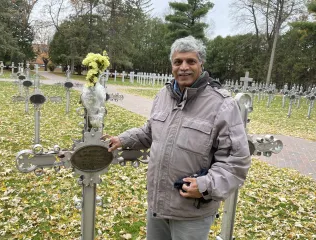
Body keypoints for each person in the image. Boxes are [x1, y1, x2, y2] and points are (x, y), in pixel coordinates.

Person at [107, 36, 251, 240]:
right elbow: (151, 130)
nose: (184, 67)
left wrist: (205, 186)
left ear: (201, 63)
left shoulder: (222, 104)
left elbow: (237, 161)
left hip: (191, 211)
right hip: (158, 204)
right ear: (172, 65)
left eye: (190, 61)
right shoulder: (163, 95)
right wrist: (123, 139)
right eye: (178, 62)